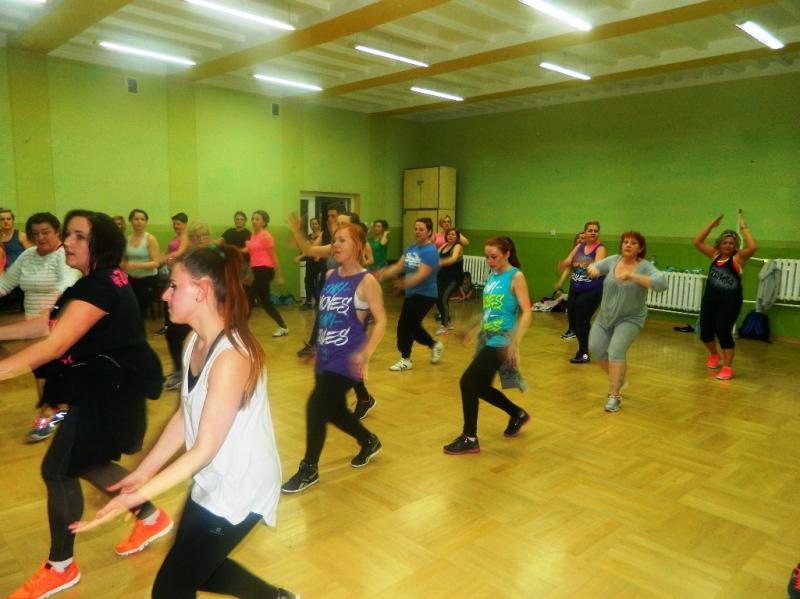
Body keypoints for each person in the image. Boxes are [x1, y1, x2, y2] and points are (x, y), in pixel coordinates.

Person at [71, 243, 298, 599]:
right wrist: (143, 473)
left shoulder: (232, 356)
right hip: (211, 477)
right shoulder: (194, 341)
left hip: (241, 486)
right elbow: (183, 415)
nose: (164, 294)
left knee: (170, 589)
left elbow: (204, 448)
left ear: (202, 290)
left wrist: (137, 497)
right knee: (199, 570)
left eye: (174, 286)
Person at [3, 210, 169, 599]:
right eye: (69, 234)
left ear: (101, 244)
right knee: (87, 461)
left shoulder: (100, 286)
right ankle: (150, 516)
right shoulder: (96, 282)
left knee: (58, 470)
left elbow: (54, 344)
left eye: (79, 236)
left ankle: (61, 567)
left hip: (109, 396)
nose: (67, 242)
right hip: (104, 390)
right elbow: (46, 323)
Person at [281, 221, 386, 494]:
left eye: (342, 240)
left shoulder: (366, 281)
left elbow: (382, 321)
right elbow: (327, 316)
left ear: (358, 246)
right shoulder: (330, 276)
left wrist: (366, 354)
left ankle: (309, 469)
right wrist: (318, 346)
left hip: (348, 359)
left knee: (316, 406)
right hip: (325, 357)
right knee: (335, 411)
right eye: (334, 240)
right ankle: (369, 441)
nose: (335, 245)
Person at [443, 236, 532, 455]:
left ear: (507, 254)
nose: (490, 261)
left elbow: (527, 312)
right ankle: (517, 414)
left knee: (467, 382)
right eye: (487, 257)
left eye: (494, 257)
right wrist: (472, 331)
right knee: (480, 387)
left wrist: (514, 344)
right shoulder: (492, 276)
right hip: (487, 338)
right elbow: (488, 312)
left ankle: (469, 437)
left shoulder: (516, 276)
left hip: (502, 341)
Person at [0, 212, 82, 442]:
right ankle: (53, 412)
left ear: (57, 232)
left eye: (46, 232)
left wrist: (52, 307)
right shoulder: (28, 255)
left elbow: (68, 284)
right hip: (32, 327)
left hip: (58, 325)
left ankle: (51, 414)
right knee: (40, 372)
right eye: (35, 233)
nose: (40, 237)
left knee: (51, 373)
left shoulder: (64, 255)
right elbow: (5, 283)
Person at [289, 213, 379, 420]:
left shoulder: (355, 249)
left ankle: (347, 403)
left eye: (342, 223)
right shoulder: (334, 246)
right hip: (332, 297)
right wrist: (297, 231)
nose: (337, 225)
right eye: (336, 222)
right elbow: (309, 250)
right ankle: (360, 398)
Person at [586, 231, 667, 413]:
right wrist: (593, 269)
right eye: (625, 242)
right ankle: (619, 379)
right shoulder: (613, 260)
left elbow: (661, 284)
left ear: (640, 248)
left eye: (633, 243)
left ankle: (614, 395)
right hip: (605, 316)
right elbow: (595, 266)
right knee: (595, 349)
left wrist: (633, 276)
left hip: (630, 318)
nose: (628, 245)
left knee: (616, 351)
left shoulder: (645, 267)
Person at [693, 213, 757, 380]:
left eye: (731, 243)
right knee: (705, 333)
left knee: (723, 331)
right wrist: (711, 225)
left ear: (735, 245)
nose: (728, 245)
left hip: (730, 302)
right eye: (725, 242)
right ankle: (714, 354)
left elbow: (752, 247)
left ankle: (727, 367)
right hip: (710, 300)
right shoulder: (715, 255)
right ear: (719, 244)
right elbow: (697, 242)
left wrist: (744, 228)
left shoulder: (738, 258)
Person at [377, 217, 443, 371]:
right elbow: (399, 266)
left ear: (429, 232)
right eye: (416, 229)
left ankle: (406, 359)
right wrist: (383, 274)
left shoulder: (430, 251)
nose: (417, 232)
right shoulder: (411, 248)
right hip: (412, 293)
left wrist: (403, 283)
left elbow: (422, 274)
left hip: (425, 295)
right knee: (413, 326)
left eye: (421, 229)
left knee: (405, 326)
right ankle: (434, 345)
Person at [164, 221, 209, 391]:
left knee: (201, 339)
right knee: (172, 335)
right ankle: (179, 370)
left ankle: (197, 373)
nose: (200, 239)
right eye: (196, 237)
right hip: (189, 305)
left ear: (208, 237)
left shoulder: (214, 256)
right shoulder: (187, 257)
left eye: (203, 236)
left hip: (204, 307)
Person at [559, 221, 606, 363]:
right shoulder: (579, 246)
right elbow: (568, 261)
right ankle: (587, 348)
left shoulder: (600, 249)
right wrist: (564, 264)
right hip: (575, 289)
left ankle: (584, 353)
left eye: (595, 230)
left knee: (582, 320)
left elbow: (597, 266)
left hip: (591, 291)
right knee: (573, 321)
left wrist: (591, 267)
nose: (593, 232)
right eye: (590, 230)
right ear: (585, 232)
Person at [243, 210, 289, 337]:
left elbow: (274, 257)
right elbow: (251, 253)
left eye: (257, 219)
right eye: (253, 218)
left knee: (249, 296)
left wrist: (279, 276)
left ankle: (241, 328)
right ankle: (283, 326)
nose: (254, 221)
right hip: (257, 271)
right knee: (265, 302)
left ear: (264, 222)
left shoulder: (266, 236)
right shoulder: (253, 234)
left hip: (266, 270)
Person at [123, 209, 161, 320]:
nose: (139, 222)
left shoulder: (150, 239)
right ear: (130, 221)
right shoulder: (127, 239)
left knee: (139, 310)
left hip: (148, 280)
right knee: (131, 309)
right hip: (132, 279)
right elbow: (125, 259)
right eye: (136, 219)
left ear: (146, 222)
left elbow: (156, 263)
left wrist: (135, 265)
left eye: (142, 219)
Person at [156, 212, 189, 336]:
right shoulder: (175, 237)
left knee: (175, 299)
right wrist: (157, 258)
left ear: (185, 224)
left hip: (182, 273)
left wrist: (162, 260)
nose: (175, 226)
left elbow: (179, 252)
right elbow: (167, 251)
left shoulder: (186, 237)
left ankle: (175, 326)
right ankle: (168, 325)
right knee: (167, 298)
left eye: (178, 224)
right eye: (174, 224)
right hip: (172, 272)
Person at [554, 232, 585, 339]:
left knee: (581, 310)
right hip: (574, 286)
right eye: (578, 238)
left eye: (583, 238)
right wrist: (560, 283)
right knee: (571, 308)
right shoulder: (573, 254)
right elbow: (568, 269)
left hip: (586, 288)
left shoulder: (589, 253)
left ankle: (581, 331)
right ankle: (572, 330)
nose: (580, 240)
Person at [435, 228, 464, 335]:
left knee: (443, 298)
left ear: (457, 237)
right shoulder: (443, 246)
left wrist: (440, 262)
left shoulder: (458, 246)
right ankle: (449, 321)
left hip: (454, 278)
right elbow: (434, 256)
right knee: (436, 298)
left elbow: (453, 259)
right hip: (442, 277)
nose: (451, 236)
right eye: (449, 234)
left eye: (453, 234)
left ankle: (444, 325)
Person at [295, 216, 322, 310]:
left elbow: (324, 248)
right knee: (308, 281)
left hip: (319, 263)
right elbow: (306, 249)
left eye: (315, 223)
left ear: (319, 225)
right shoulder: (309, 236)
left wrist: (319, 256)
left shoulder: (322, 235)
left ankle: (318, 302)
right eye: (312, 224)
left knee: (318, 282)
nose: (314, 225)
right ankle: (309, 302)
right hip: (310, 262)